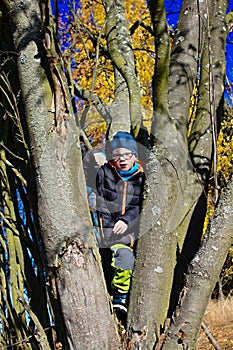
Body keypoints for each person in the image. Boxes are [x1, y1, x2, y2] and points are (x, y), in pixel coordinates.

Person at [95, 131, 145, 314]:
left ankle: (120, 297)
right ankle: (115, 296)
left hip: (132, 233)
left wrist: (126, 220)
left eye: (127, 155)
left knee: (126, 258)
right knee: (114, 260)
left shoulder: (142, 177)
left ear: (134, 156)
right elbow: (103, 206)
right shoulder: (105, 173)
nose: (123, 159)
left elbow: (140, 206)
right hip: (109, 234)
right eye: (118, 155)